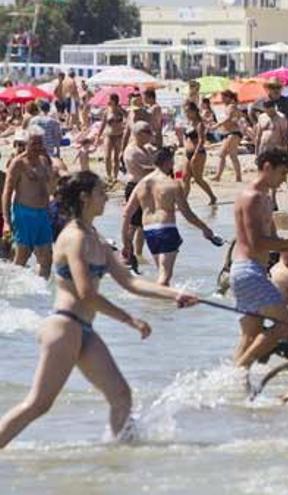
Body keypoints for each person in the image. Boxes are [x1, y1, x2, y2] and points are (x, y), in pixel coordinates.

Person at [0, 171, 199, 449]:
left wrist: (175, 293)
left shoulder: (95, 237)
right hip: (64, 327)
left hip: (84, 330)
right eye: (101, 192)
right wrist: (129, 319)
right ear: (84, 197)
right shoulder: (74, 237)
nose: (106, 197)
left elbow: (130, 281)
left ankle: (117, 461)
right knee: (39, 403)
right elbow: (86, 293)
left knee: (121, 396)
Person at [230, 149, 288, 369]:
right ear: (267, 167)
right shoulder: (251, 197)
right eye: (282, 173)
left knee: (250, 336)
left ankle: (236, 382)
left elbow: (273, 240)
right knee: (285, 325)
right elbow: (256, 243)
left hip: (253, 270)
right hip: (247, 270)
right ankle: (241, 369)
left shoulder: (266, 199)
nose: (284, 180)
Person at [122, 147, 217, 286]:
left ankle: (158, 304)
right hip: (166, 229)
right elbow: (187, 213)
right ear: (169, 161)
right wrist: (205, 228)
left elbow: (126, 214)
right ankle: (160, 300)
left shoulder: (140, 184)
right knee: (164, 277)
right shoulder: (172, 184)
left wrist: (125, 241)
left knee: (161, 272)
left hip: (149, 231)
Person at [2, 128, 57, 278]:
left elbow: (52, 188)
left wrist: (50, 168)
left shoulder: (44, 160)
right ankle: (14, 290)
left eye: (40, 143)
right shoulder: (18, 163)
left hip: (42, 214)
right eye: (34, 143)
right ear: (26, 143)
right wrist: (7, 221)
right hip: (24, 214)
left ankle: (42, 293)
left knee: (47, 258)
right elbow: (7, 193)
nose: (38, 147)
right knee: (22, 256)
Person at [121, 122, 157, 261]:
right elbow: (142, 170)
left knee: (143, 224)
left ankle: (138, 254)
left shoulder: (146, 148)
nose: (151, 134)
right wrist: (159, 168)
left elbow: (157, 152)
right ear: (139, 134)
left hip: (147, 187)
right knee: (133, 224)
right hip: (135, 187)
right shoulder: (132, 150)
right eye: (148, 132)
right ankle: (127, 252)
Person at [182, 102, 217, 204]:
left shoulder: (199, 124)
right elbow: (186, 138)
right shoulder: (189, 123)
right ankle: (183, 200)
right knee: (184, 176)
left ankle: (212, 196)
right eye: (185, 112)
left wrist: (195, 155)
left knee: (197, 178)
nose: (187, 114)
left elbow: (202, 140)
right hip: (187, 153)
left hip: (198, 153)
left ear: (194, 111)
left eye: (188, 112)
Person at [212, 90, 245, 182]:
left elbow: (229, 118)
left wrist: (217, 125)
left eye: (223, 97)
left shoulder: (231, 106)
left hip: (233, 133)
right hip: (232, 133)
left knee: (222, 154)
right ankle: (238, 177)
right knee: (233, 155)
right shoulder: (231, 106)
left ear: (229, 97)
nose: (222, 99)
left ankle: (218, 176)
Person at [256, 77, 288, 148]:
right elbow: (255, 119)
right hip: (265, 142)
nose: (276, 90)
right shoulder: (261, 102)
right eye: (273, 87)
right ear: (268, 88)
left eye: (278, 87)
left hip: (283, 141)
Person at [96, 93, 126, 183]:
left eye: (109, 99)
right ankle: (109, 175)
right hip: (109, 135)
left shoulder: (121, 110)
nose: (108, 101)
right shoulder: (107, 111)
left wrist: (122, 112)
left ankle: (115, 176)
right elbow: (103, 124)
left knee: (116, 157)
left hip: (119, 135)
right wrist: (98, 136)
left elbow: (128, 117)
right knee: (107, 156)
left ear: (114, 100)